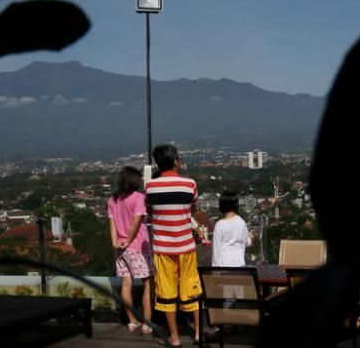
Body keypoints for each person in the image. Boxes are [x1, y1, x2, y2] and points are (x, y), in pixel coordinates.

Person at [146, 144, 209, 347]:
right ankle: (198, 332)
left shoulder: (150, 187)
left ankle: (173, 337)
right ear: (175, 162)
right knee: (191, 286)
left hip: (163, 249)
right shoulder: (190, 184)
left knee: (166, 291)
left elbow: (150, 212)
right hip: (185, 246)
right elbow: (192, 211)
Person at [107, 166, 153, 335]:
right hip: (138, 246)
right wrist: (128, 240)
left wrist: (116, 243)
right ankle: (147, 323)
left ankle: (132, 322)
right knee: (148, 283)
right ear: (134, 180)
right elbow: (136, 222)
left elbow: (112, 225)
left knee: (126, 285)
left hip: (120, 248)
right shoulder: (138, 198)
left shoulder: (112, 200)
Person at [212, 191, 253, 267]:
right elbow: (247, 242)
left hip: (224, 266)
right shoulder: (242, 222)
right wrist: (250, 236)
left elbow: (216, 250)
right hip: (240, 265)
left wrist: (215, 270)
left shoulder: (220, 224)